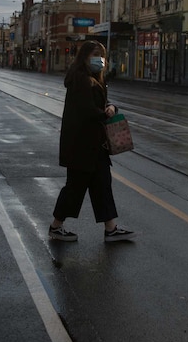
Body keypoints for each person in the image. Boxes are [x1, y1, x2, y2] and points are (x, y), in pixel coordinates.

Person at [49, 41, 136, 243]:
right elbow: (88, 111)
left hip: (92, 145)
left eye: (102, 55)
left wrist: (111, 106)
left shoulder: (90, 79)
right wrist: (108, 113)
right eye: (95, 55)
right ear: (85, 57)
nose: (100, 60)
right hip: (82, 145)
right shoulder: (81, 79)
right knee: (75, 187)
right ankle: (56, 226)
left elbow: (99, 105)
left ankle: (111, 229)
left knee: (102, 185)